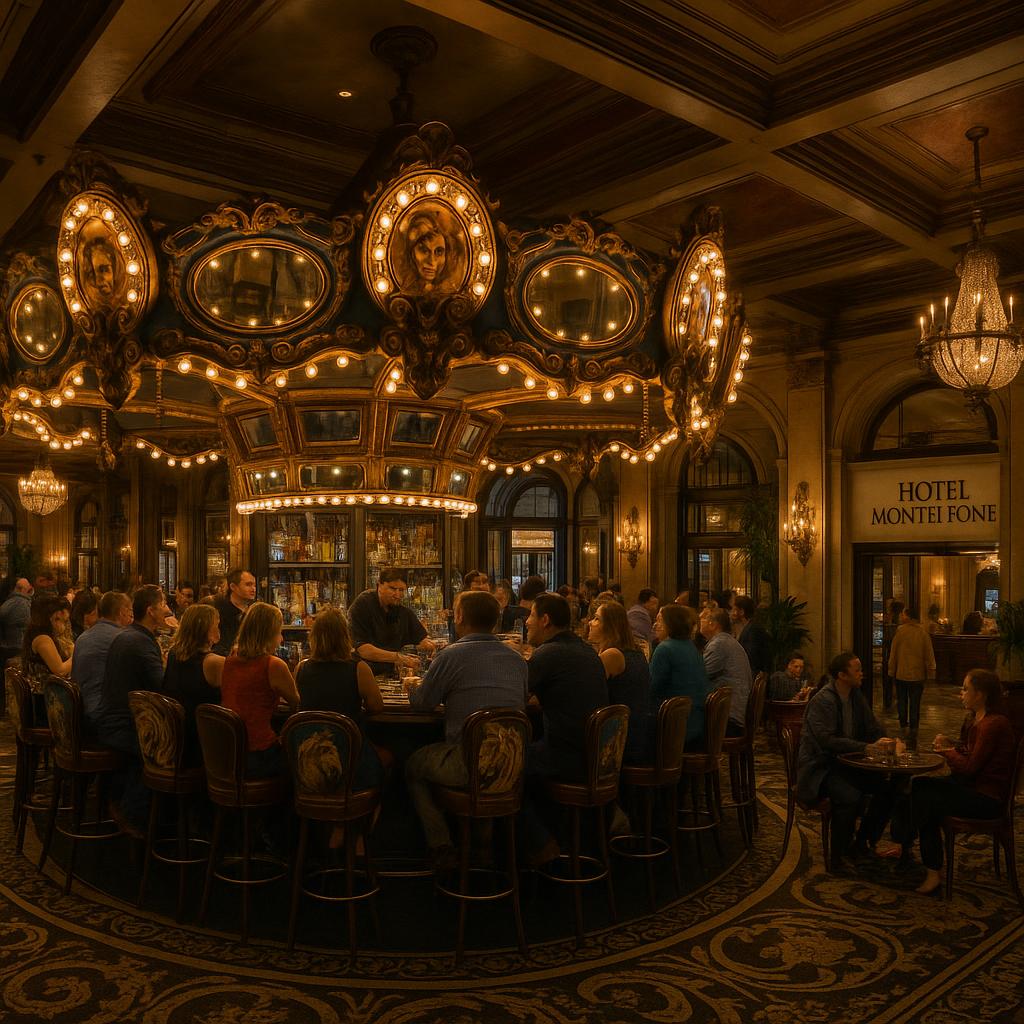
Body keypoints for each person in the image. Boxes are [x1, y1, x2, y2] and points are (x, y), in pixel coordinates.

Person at [405, 590, 527, 868]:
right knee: (484, 764)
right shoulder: (518, 661)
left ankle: (442, 846)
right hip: (512, 767)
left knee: (413, 765)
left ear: (459, 617)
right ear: (496, 621)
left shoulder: (452, 655)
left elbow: (423, 704)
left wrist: (412, 687)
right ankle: (482, 849)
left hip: (466, 765)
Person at [909, 669, 1017, 894]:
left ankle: (928, 867)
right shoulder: (975, 719)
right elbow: (970, 752)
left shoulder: (993, 724)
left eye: (966, 689)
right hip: (971, 787)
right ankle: (909, 846)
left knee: (925, 799)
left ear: (981, 694)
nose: (961, 693)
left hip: (986, 798)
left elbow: (969, 768)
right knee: (919, 785)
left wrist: (946, 751)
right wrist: (951, 744)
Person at [522, 592, 609, 864]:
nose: (526, 622)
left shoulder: (549, 653)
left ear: (545, 620)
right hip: (597, 754)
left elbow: (515, 695)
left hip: (568, 757)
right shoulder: (585, 650)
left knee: (504, 767)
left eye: (531, 616)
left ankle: (539, 842)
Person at [797, 652, 895, 872]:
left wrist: (887, 739)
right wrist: (864, 747)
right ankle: (837, 858)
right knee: (849, 794)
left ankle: (861, 842)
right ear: (842, 675)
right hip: (820, 768)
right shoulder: (823, 700)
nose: (863, 673)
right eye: (857, 669)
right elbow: (826, 741)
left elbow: (872, 727)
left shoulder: (855, 695)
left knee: (888, 788)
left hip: (846, 764)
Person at [95, 585, 173, 829]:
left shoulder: (130, 635)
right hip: (124, 727)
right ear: (151, 611)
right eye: (163, 605)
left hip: (111, 720)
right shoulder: (140, 642)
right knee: (177, 748)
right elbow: (163, 687)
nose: (168, 609)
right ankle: (137, 817)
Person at [295, 607, 386, 791]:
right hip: (350, 757)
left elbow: (297, 707)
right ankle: (370, 812)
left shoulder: (301, 668)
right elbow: (376, 707)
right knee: (392, 756)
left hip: (308, 761)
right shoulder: (359, 669)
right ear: (346, 636)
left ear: (314, 637)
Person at [219, 602, 300, 778]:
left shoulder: (230, 659)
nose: (281, 639)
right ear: (268, 634)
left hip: (229, 752)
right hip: (258, 754)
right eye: (279, 632)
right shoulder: (273, 665)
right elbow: (298, 705)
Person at [163, 603, 225, 767]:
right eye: (217, 625)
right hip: (204, 741)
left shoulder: (174, 654)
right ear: (205, 631)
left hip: (175, 735)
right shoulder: (214, 662)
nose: (219, 629)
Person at [588, 599, 649, 763]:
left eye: (596, 618)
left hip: (620, 740)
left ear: (610, 626)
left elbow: (589, 692)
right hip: (638, 732)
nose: (590, 622)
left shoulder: (612, 655)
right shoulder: (636, 651)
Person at [349, 568, 436, 677]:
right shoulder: (363, 605)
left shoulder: (401, 609)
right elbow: (363, 650)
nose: (397, 594)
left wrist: (432, 647)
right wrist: (398, 657)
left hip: (392, 675)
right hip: (364, 674)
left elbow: (422, 640)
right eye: (393, 589)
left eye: (401, 590)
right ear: (379, 586)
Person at [649, 604, 710, 749]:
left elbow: (651, 689)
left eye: (659, 621)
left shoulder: (665, 649)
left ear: (671, 625)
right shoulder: (690, 646)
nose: (655, 625)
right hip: (697, 722)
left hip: (678, 727)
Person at [71, 590, 133, 729]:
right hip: (103, 717)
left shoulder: (83, 637)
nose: (131, 615)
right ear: (122, 612)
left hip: (79, 712)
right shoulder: (121, 638)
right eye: (130, 610)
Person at [888, 605, 936, 746]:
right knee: (915, 703)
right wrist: (931, 670)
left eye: (903, 614)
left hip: (901, 674)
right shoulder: (922, 633)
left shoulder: (900, 632)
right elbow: (929, 653)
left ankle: (903, 726)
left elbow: (893, 653)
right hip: (917, 675)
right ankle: (914, 728)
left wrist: (891, 671)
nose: (901, 616)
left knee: (902, 701)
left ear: (908, 616)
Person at [700, 607, 752, 735]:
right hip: (737, 713)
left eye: (702, 619)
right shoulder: (727, 641)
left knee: (682, 727)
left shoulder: (719, 644)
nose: (699, 622)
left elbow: (699, 677)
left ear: (713, 624)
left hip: (728, 717)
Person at [19, 596, 73, 715]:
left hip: (44, 695)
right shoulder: (42, 638)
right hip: (44, 701)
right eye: (60, 619)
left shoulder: (37, 632)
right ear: (51, 617)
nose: (63, 625)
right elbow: (60, 670)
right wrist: (79, 653)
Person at [211, 568, 256, 655]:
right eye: (248, 585)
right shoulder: (219, 609)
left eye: (254, 585)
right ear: (233, 587)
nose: (253, 589)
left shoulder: (255, 610)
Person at [729, 594, 771, 678]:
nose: (731, 612)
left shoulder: (753, 630)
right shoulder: (749, 627)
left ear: (741, 612)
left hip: (750, 677)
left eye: (733, 609)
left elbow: (750, 659)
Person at [0, 578, 33, 665]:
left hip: (8, 645)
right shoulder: (22, 603)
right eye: (28, 589)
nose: (30, 592)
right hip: (18, 646)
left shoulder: (9, 602)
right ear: (21, 589)